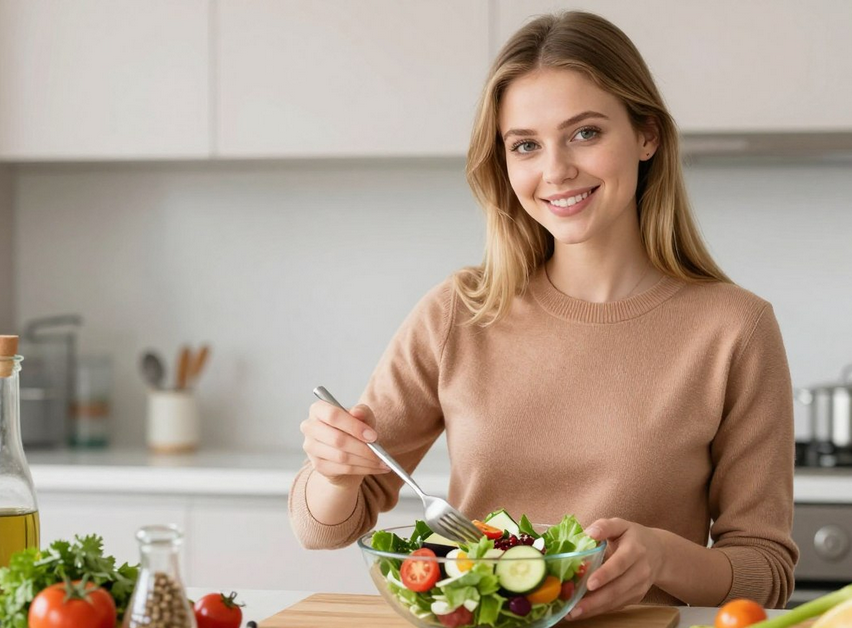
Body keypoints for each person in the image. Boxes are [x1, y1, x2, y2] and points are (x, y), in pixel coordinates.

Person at [289, 10, 798, 617]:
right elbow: (322, 527)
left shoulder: (734, 329)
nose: (555, 170)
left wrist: (663, 557)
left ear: (647, 135)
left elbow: (765, 570)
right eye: (526, 145)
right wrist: (336, 471)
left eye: (585, 133)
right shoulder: (459, 311)